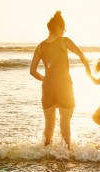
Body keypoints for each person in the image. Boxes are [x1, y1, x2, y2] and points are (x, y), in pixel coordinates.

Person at [30, 11, 91, 148]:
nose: (64, 31)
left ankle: (46, 153)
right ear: (58, 27)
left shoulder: (40, 46)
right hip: (64, 87)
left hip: (48, 88)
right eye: (63, 28)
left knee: (49, 126)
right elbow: (81, 54)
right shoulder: (64, 41)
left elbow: (32, 71)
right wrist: (88, 70)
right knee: (65, 124)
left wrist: (46, 79)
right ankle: (66, 153)